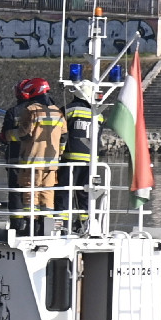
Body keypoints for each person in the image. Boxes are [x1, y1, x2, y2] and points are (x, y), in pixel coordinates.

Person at [0, 77, 61, 228]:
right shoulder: (55, 111)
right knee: (46, 193)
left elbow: (21, 134)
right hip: (50, 162)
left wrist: (3, 136)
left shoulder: (20, 111)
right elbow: (62, 136)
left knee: (20, 193)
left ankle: (21, 224)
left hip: (21, 159)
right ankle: (45, 225)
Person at [56, 82, 98, 232]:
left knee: (64, 191)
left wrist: (59, 154)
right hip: (90, 162)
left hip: (70, 159)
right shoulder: (97, 113)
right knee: (85, 193)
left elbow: (60, 134)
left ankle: (63, 225)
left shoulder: (68, 110)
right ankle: (85, 225)